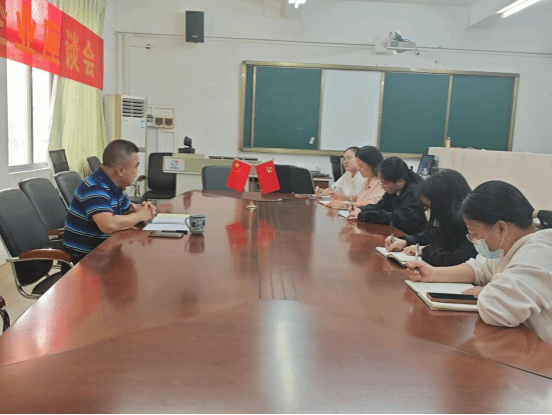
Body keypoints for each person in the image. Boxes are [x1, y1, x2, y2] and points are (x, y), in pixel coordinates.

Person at [407, 181, 552, 345]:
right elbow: (479, 269)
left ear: (501, 228)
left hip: (542, 354)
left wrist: (487, 290)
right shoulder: (511, 244)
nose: (473, 241)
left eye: (474, 234)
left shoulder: (537, 254)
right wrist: (433, 274)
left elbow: (496, 310)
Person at [63, 139, 156, 264]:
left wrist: (140, 209)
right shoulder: (94, 188)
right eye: (136, 166)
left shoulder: (114, 185)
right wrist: (140, 215)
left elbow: (126, 209)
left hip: (104, 252)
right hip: (84, 260)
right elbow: (108, 224)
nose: (137, 171)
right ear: (120, 170)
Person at [384, 169, 477, 266]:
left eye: (430, 207)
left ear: (446, 204)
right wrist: (406, 241)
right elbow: (433, 234)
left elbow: (456, 258)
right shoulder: (449, 217)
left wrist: (425, 251)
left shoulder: (471, 224)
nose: (428, 212)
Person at [347, 156, 427, 235]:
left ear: (399, 181)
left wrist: (363, 215)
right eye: (380, 182)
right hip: (397, 233)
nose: (382, 186)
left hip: (412, 237)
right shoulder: (395, 189)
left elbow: (397, 218)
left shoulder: (414, 193)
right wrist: (360, 210)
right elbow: (380, 207)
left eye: (384, 183)